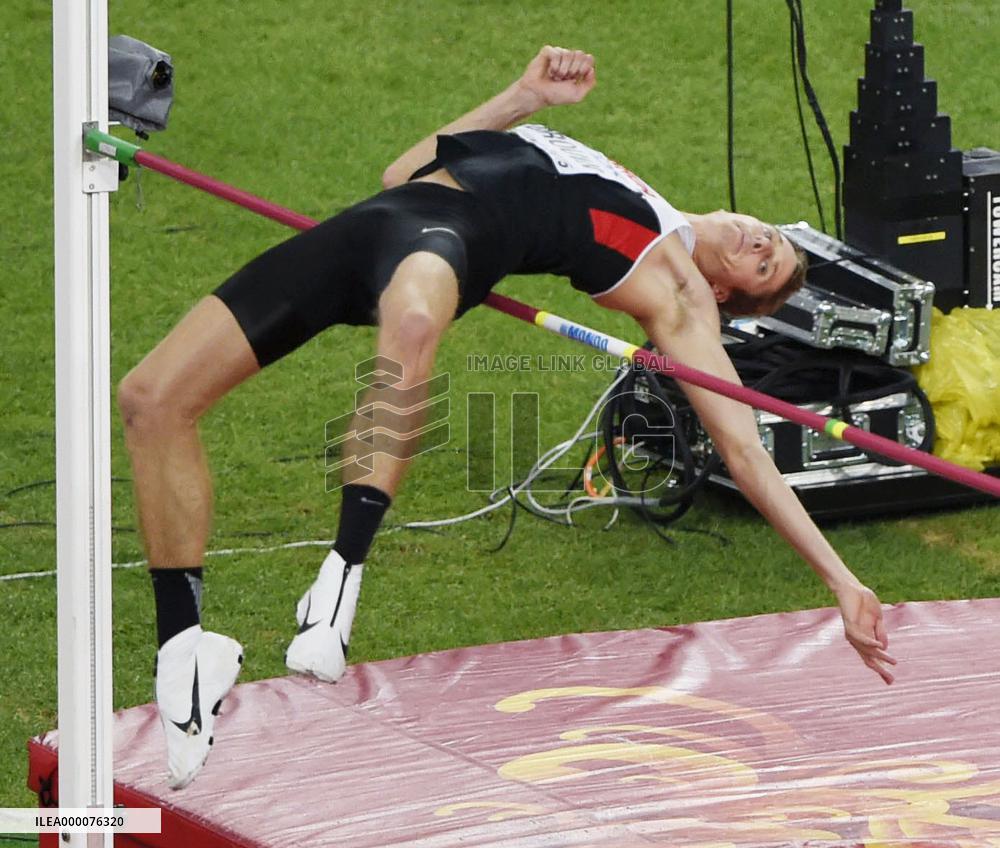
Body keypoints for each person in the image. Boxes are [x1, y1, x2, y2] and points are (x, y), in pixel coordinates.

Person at [117, 45, 896, 789]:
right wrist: (526, 98)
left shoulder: (682, 294)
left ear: (726, 294)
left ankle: (337, 586)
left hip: (451, 243)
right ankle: (187, 647)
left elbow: (745, 448)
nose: (762, 242)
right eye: (772, 238)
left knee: (414, 327)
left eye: (765, 265)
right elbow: (403, 170)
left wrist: (842, 580)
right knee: (151, 400)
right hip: (378, 223)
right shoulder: (641, 188)